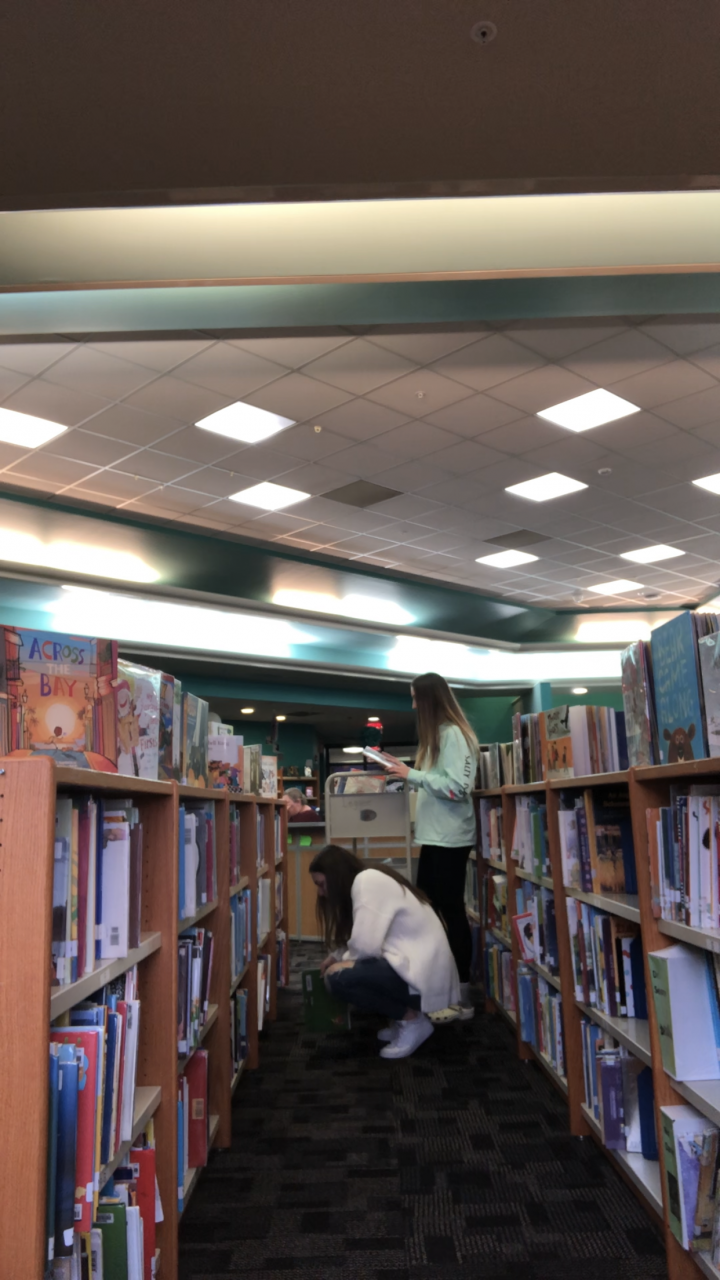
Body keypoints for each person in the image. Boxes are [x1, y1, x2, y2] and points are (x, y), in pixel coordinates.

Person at [376, 672, 479, 1021]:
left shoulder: (454, 735)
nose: (413, 705)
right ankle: (440, 990)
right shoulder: (441, 737)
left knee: (450, 913)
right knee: (431, 914)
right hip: (436, 838)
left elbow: (458, 788)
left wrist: (413, 775)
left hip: (450, 839)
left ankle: (462, 997)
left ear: (430, 699)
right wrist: (407, 772)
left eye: (416, 698)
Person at [309, 844, 460, 1059]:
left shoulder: (366, 881)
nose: (320, 893)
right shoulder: (370, 879)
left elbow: (366, 947)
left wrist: (340, 964)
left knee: (337, 979)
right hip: (422, 972)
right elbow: (367, 938)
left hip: (423, 977)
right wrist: (337, 956)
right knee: (341, 970)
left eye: (321, 884)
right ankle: (406, 1017)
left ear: (335, 877)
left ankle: (412, 1021)